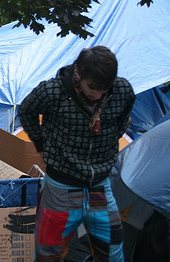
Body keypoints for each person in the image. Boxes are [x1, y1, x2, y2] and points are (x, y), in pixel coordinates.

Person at [18, 46, 135, 261]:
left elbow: (124, 116)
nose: (98, 94)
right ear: (79, 74)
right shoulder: (53, 91)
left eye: (104, 89)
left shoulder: (122, 90)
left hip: (99, 186)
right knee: (48, 253)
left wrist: (110, 141)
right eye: (93, 87)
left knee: (112, 249)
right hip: (61, 189)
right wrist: (42, 144)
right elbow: (26, 110)